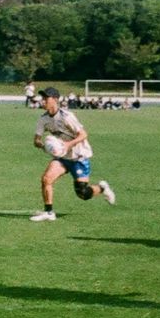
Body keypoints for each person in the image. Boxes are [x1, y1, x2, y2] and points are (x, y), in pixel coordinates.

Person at [31, 87, 115, 221]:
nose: (43, 101)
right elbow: (36, 140)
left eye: (46, 98)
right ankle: (49, 212)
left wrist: (68, 144)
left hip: (78, 157)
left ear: (55, 100)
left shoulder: (67, 116)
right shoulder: (43, 119)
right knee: (46, 179)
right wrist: (45, 146)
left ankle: (102, 188)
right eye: (43, 99)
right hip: (62, 157)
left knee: (82, 193)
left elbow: (83, 134)